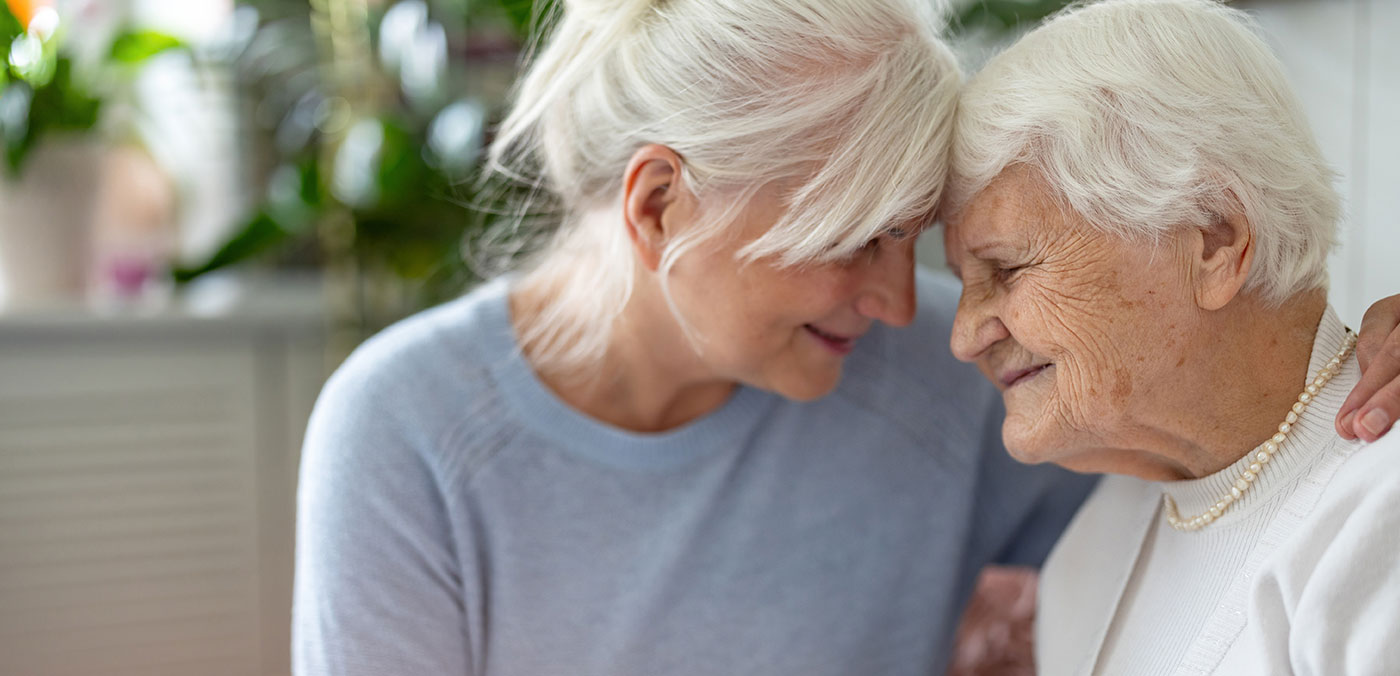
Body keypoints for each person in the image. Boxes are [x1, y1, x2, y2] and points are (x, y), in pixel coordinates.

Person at [293, 0, 1400, 674]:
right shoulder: (407, 430)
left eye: (908, 240)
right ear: (658, 207)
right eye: (847, 239)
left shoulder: (940, 371)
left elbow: (1239, 438)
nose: (899, 303)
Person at [942, 1, 1400, 673]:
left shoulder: (1378, 515)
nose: (962, 336)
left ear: (1215, 239)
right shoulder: (1092, 542)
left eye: (1006, 268)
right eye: (960, 280)